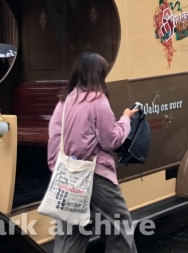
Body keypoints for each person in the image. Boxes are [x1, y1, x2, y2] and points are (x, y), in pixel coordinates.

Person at [48, 53, 139, 253]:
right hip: (95, 176)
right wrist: (125, 119)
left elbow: (54, 138)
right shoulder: (98, 101)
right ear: (99, 74)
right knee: (119, 230)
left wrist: (58, 168)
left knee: (70, 235)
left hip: (66, 176)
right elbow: (111, 141)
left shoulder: (65, 101)